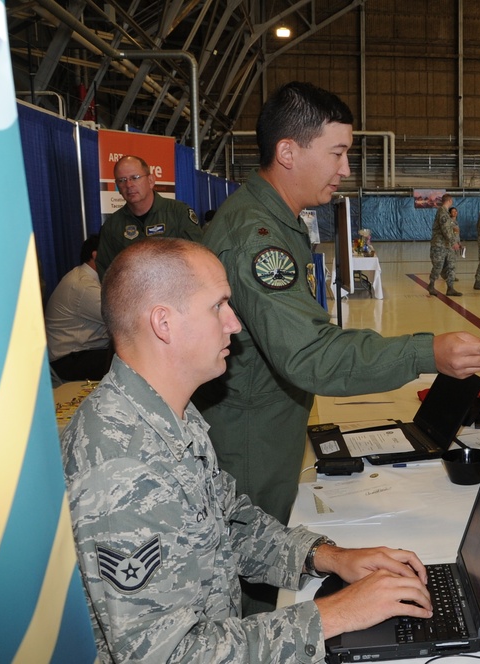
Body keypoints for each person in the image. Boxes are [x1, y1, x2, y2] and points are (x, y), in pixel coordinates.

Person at [62, 238, 434, 663]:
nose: (234, 324)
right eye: (218, 306)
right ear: (163, 323)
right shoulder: (121, 470)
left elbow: (229, 524)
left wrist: (329, 557)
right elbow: (169, 655)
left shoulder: (167, 414)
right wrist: (334, 614)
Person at [197, 81, 480, 531]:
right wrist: (427, 353)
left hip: (268, 429)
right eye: (337, 152)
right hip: (250, 447)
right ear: (288, 152)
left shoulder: (277, 220)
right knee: (255, 585)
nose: (345, 168)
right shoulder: (256, 239)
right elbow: (310, 354)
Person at [95, 154, 202, 277]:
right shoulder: (112, 226)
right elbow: (107, 274)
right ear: (117, 186)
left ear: (150, 180)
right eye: (122, 180)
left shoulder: (178, 214)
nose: (129, 185)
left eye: (135, 177)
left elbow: (198, 258)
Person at [45, 234, 112, 381]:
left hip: (80, 353)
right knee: (128, 361)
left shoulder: (86, 278)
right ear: (95, 255)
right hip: (68, 360)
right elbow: (118, 317)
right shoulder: (83, 285)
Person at [427, 194, 462, 296]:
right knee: (438, 266)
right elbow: (446, 230)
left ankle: (450, 288)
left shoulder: (446, 213)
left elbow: (451, 230)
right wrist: (453, 242)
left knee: (451, 266)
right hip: (439, 245)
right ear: (450, 200)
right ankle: (431, 285)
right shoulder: (442, 213)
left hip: (446, 245)